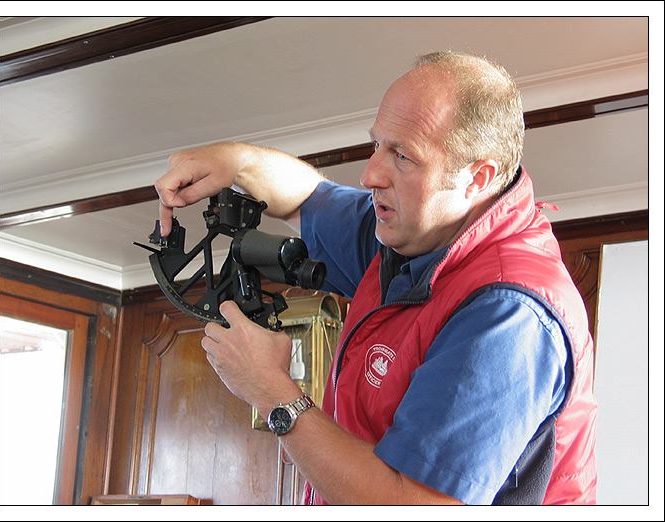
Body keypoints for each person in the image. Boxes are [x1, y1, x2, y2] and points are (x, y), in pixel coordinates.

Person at [154, 51, 597, 505]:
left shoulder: (508, 313)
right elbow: (307, 199)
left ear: (477, 178)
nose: (369, 174)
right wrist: (237, 162)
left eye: (403, 156)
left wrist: (271, 392)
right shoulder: (408, 232)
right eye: (377, 144)